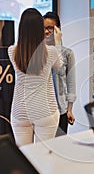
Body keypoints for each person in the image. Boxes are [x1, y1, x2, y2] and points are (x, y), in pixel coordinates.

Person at [8, 8, 63, 146]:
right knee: (43, 157)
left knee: (24, 157)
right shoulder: (51, 51)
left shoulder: (12, 51)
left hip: (20, 112)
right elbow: (59, 66)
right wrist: (57, 42)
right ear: (40, 29)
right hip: (45, 111)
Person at [43, 11, 76, 136]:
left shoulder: (68, 54)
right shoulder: (39, 54)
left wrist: (69, 110)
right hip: (44, 111)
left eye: (50, 28)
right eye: (44, 28)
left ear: (57, 30)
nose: (46, 32)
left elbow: (71, 84)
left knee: (60, 149)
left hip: (61, 110)